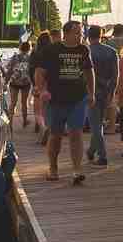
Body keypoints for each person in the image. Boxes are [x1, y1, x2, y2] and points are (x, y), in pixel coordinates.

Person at [32, 22, 93, 184]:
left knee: (76, 133)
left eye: (81, 33)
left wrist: (91, 93)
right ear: (65, 34)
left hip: (78, 99)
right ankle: (53, 168)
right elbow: (39, 72)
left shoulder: (83, 50)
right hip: (56, 100)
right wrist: (42, 90)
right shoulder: (52, 50)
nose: (80, 36)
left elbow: (89, 72)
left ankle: (77, 170)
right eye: (76, 33)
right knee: (56, 135)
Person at [84, 24, 119, 167]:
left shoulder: (85, 52)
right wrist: (112, 92)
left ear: (88, 36)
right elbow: (116, 76)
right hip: (106, 92)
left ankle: (103, 156)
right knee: (98, 123)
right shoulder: (112, 52)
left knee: (95, 126)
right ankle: (91, 151)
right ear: (101, 35)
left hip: (89, 92)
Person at [28, 31, 56, 144]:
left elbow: (31, 69)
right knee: (47, 110)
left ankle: (43, 128)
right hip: (50, 83)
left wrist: (34, 84)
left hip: (38, 82)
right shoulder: (53, 51)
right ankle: (47, 129)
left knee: (37, 111)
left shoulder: (35, 53)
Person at [4, 41, 34, 130]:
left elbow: (9, 70)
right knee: (24, 102)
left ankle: (10, 123)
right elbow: (32, 72)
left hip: (14, 82)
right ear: (29, 49)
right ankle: (25, 121)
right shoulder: (30, 58)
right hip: (25, 83)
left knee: (13, 103)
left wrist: (6, 81)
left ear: (20, 48)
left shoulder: (15, 57)